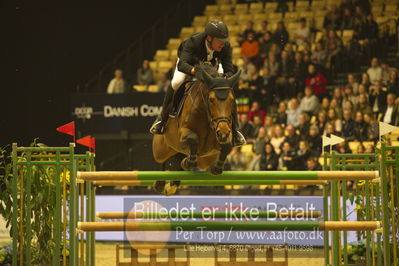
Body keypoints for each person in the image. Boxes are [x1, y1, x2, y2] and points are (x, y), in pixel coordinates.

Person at [149, 21, 246, 146]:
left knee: (226, 89)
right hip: (190, 64)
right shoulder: (193, 42)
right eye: (219, 40)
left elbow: (229, 68)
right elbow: (182, 64)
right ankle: (161, 119)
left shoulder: (225, 46)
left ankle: (236, 130)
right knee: (177, 82)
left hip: (212, 66)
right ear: (209, 38)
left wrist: (226, 79)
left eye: (224, 40)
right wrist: (194, 71)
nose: (223, 43)